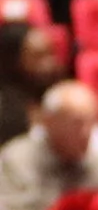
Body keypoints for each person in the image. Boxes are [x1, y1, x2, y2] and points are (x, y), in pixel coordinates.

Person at [0, 79, 98, 210]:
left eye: (92, 123)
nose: (86, 132)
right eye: (77, 123)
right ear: (49, 121)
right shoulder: (17, 160)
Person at [0, 18, 61, 147]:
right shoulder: (3, 109)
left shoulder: (61, 97)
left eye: (51, 54)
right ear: (13, 62)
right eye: (38, 56)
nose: (50, 64)